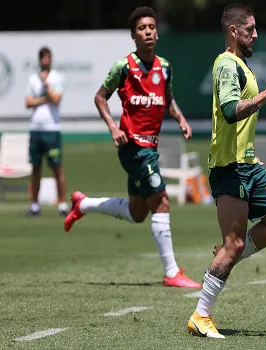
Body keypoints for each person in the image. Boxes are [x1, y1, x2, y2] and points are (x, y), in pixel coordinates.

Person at [63, 6, 201, 289]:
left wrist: (181, 118)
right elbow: (100, 98)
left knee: (139, 213)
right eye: (142, 28)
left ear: (157, 32)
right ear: (133, 36)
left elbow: (168, 98)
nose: (148, 32)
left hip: (149, 148)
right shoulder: (124, 67)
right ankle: (172, 272)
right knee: (161, 200)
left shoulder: (165, 67)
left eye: (151, 27)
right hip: (133, 147)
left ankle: (83, 204)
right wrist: (114, 128)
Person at [187, 4, 266, 339]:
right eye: (249, 28)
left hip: (247, 163)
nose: (255, 34)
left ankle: (227, 254)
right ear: (233, 31)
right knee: (232, 244)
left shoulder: (242, 66)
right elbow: (231, 111)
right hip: (228, 168)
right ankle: (201, 315)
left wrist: (251, 152)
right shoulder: (225, 65)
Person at [24, 46, 68, 217]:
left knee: (57, 167)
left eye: (47, 57)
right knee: (35, 168)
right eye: (42, 58)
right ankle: (34, 205)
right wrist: (44, 99)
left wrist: (46, 84)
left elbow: (56, 99)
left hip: (52, 128)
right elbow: (28, 102)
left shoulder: (56, 78)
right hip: (36, 128)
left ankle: (62, 203)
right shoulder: (32, 79)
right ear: (39, 60)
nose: (45, 61)